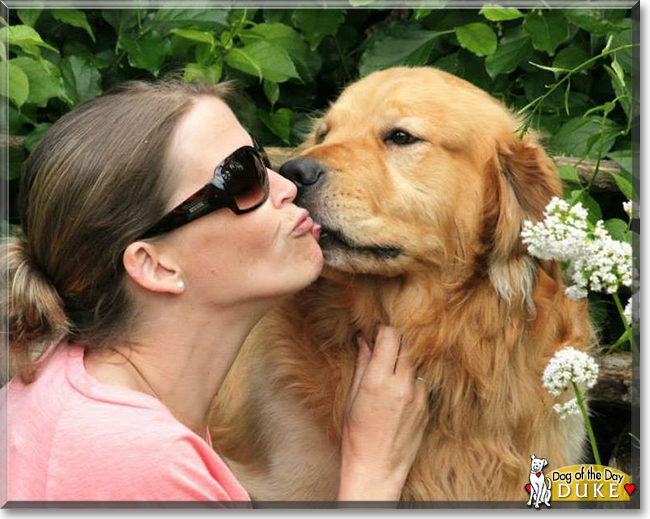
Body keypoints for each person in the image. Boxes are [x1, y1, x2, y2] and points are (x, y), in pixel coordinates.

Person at [1, 80, 430, 504]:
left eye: (263, 163)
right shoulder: (135, 460)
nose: (289, 187)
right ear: (156, 265)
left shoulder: (74, 382)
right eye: (241, 180)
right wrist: (372, 476)